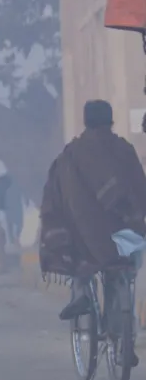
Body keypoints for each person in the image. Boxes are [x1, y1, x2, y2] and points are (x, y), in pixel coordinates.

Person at [41, 100, 146, 359]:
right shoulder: (123, 149)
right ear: (111, 121)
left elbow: (57, 199)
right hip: (123, 234)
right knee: (120, 271)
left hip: (83, 238)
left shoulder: (70, 154)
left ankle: (79, 292)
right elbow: (139, 187)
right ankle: (121, 336)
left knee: (81, 256)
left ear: (85, 121)